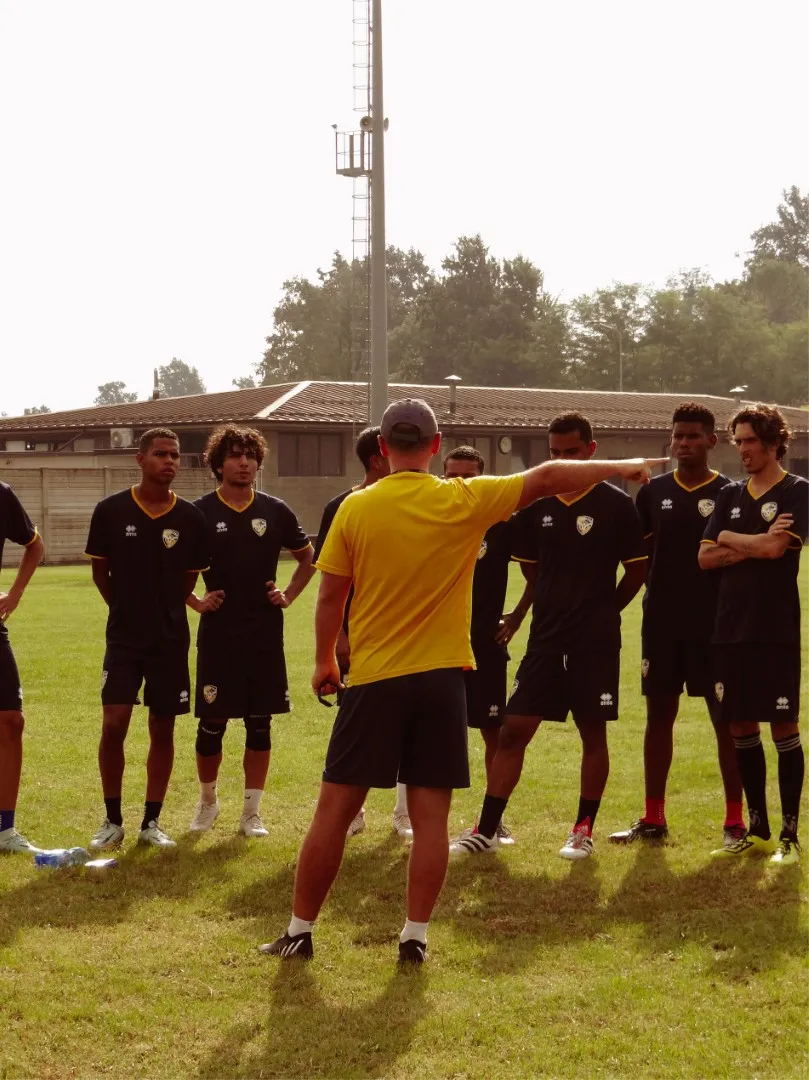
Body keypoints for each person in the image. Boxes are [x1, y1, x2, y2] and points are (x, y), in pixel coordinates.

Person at [260, 398, 665, 964]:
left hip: (376, 679)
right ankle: (415, 938)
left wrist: (325, 660)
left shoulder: (356, 508)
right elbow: (548, 476)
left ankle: (300, 932)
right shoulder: (465, 497)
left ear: (382, 448)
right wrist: (620, 467)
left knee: (334, 810)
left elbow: (331, 594)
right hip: (443, 683)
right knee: (432, 819)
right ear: (435, 445)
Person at [451, 411, 648, 861]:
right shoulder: (535, 507)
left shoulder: (617, 506)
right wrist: (526, 616)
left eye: (572, 452)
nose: (563, 461)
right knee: (513, 732)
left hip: (594, 642)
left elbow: (637, 571)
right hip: (545, 641)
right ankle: (485, 829)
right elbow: (532, 572)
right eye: (555, 453)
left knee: (592, 732)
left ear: (591, 452)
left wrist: (602, 612)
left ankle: (582, 830)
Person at [609, 403, 744, 849]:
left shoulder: (729, 493)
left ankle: (734, 821)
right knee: (658, 718)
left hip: (715, 626)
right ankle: (653, 817)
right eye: (677, 436)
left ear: (712, 441)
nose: (683, 443)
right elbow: (637, 558)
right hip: (662, 623)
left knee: (725, 720)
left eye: (692, 436)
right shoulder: (652, 492)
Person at [187, 426, 315, 837]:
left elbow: (308, 558)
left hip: (263, 634)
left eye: (250, 456)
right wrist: (196, 601)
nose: (244, 463)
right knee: (212, 724)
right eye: (235, 456)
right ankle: (208, 802)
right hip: (219, 634)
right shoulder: (199, 512)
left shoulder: (276, 510)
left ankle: (250, 813)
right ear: (218, 463)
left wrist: (289, 594)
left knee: (261, 725)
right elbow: (169, 567)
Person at [85, 428, 209, 850]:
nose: (169, 461)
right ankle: (112, 819)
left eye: (174, 455)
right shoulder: (110, 511)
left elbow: (190, 576)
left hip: (171, 638)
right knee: (114, 723)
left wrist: (168, 609)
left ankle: (151, 823)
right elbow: (101, 574)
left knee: (163, 727)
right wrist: (124, 609)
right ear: (140, 459)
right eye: (160, 454)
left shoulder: (191, 518)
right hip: (124, 638)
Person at [699, 404, 807, 864]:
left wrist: (733, 539)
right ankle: (757, 828)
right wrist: (752, 542)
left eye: (749, 440)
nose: (741, 448)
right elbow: (704, 558)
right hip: (729, 628)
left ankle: (789, 836)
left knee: (782, 725)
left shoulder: (798, 492)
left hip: (774, 629)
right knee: (740, 724)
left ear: (772, 441)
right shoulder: (729, 495)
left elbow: (776, 549)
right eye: (737, 440)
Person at [442, 445, 533, 842]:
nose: (461, 482)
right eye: (453, 475)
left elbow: (537, 571)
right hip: (437, 642)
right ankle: (415, 818)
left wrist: (516, 616)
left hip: (484, 645)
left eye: (470, 475)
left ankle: (492, 821)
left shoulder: (502, 522)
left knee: (492, 732)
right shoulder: (433, 519)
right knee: (432, 734)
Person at [312, 426, 390, 838]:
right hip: (357, 635)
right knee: (354, 724)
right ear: (378, 458)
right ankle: (352, 812)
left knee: (406, 722)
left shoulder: (413, 502)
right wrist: (338, 637)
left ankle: (405, 813)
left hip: (403, 637)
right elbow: (330, 583)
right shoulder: (341, 506)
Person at [0, 484, 44, 853]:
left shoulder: (1, 494)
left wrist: (14, 594)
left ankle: (4, 830)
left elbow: (35, 545)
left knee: (11, 720)